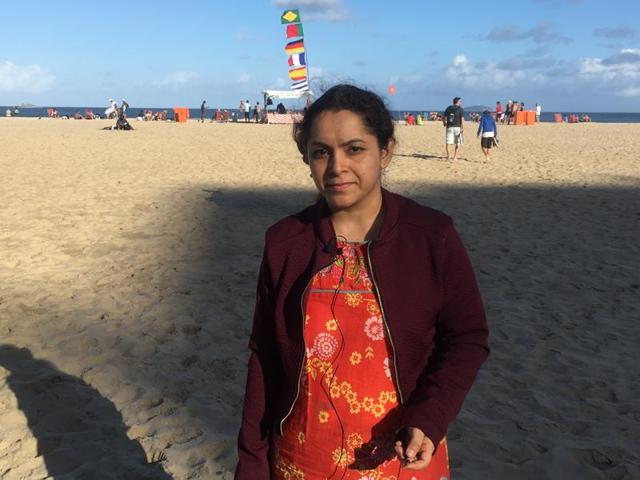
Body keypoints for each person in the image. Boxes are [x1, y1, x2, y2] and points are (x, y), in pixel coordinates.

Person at [235, 84, 490, 479]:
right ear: (307, 159)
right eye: (321, 152)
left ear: (384, 150)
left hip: (405, 461)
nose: (337, 167)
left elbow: (467, 337)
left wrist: (431, 416)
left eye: (355, 149)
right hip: (302, 461)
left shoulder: (431, 235)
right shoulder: (285, 242)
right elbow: (264, 358)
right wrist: (251, 464)